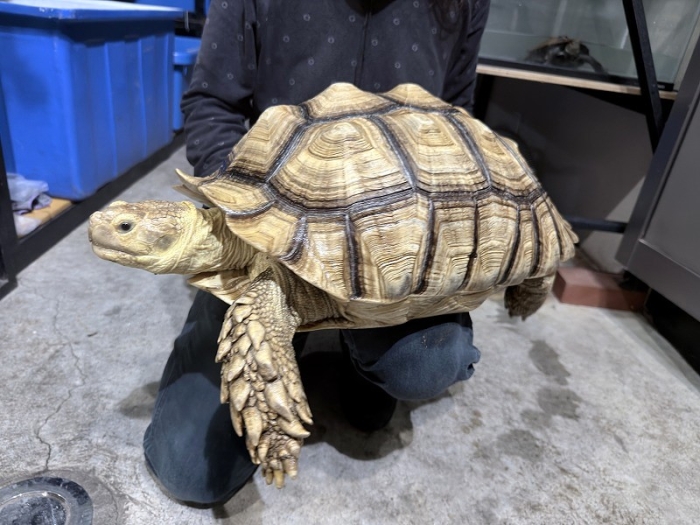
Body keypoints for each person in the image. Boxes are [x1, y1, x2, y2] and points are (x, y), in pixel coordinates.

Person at [143, 0, 491, 506]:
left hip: (396, 237)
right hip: (272, 219)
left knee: (425, 365)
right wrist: (245, 204)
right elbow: (212, 102)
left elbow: (457, 119)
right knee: (189, 469)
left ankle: (358, 351)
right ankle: (294, 337)